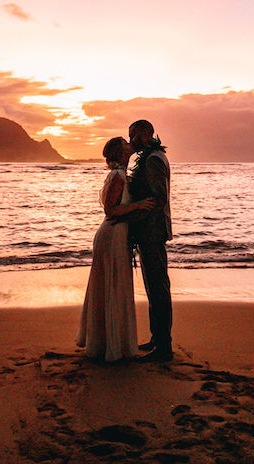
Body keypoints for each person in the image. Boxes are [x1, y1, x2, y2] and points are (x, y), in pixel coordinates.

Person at [76, 136, 154, 362]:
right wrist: (139, 205)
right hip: (111, 235)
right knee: (112, 284)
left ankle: (110, 341)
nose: (131, 144)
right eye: (126, 143)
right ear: (121, 153)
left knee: (114, 285)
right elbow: (110, 210)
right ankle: (110, 343)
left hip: (117, 234)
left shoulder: (120, 174)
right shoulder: (118, 176)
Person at [124, 119, 173, 361]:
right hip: (150, 232)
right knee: (155, 288)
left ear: (145, 134)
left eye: (133, 135)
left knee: (158, 288)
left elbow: (158, 198)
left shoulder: (153, 159)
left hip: (152, 232)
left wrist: (136, 219)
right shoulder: (153, 156)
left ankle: (163, 347)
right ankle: (157, 339)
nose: (131, 140)